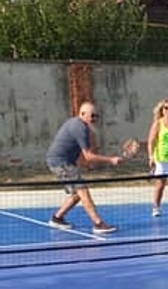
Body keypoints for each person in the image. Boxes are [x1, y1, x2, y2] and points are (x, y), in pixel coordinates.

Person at [45, 100, 122, 234]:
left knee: (77, 194)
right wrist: (111, 160)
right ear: (82, 114)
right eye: (91, 115)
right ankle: (98, 224)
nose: (94, 119)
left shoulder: (81, 126)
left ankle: (57, 218)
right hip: (60, 161)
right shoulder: (80, 127)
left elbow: (84, 155)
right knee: (83, 190)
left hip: (64, 161)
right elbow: (88, 156)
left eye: (96, 116)